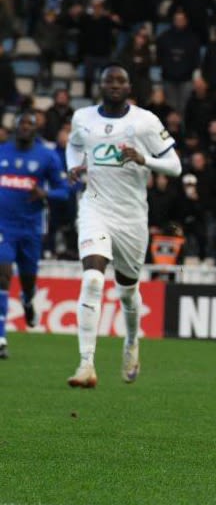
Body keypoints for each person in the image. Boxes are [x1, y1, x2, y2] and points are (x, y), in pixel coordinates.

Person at [65, 65, 182, 388]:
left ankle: (131, 341)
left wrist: (145, 160)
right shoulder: (83, 118)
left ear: (130, 86)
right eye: (109, 80)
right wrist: (73, 166)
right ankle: (86, 363)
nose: (114, 85)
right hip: (95, 208)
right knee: (91, 280)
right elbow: (74, 145)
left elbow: (175, 166)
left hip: (131, 218)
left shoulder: (144, 122)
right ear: (100, 85)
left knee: (128, 294)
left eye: (121, 81)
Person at [0, 112, 70, 358]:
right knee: (3, 272)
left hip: (30, 229)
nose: (25, 127)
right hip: (3, 227)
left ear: (35, 130)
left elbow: (64, 192)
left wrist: (45, 194)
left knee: (28, 279)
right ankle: (1, 338)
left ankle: (28, 301)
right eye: (22, 123)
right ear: (15, 127)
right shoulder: (2, 152)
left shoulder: (47, 156)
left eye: (30, 124)